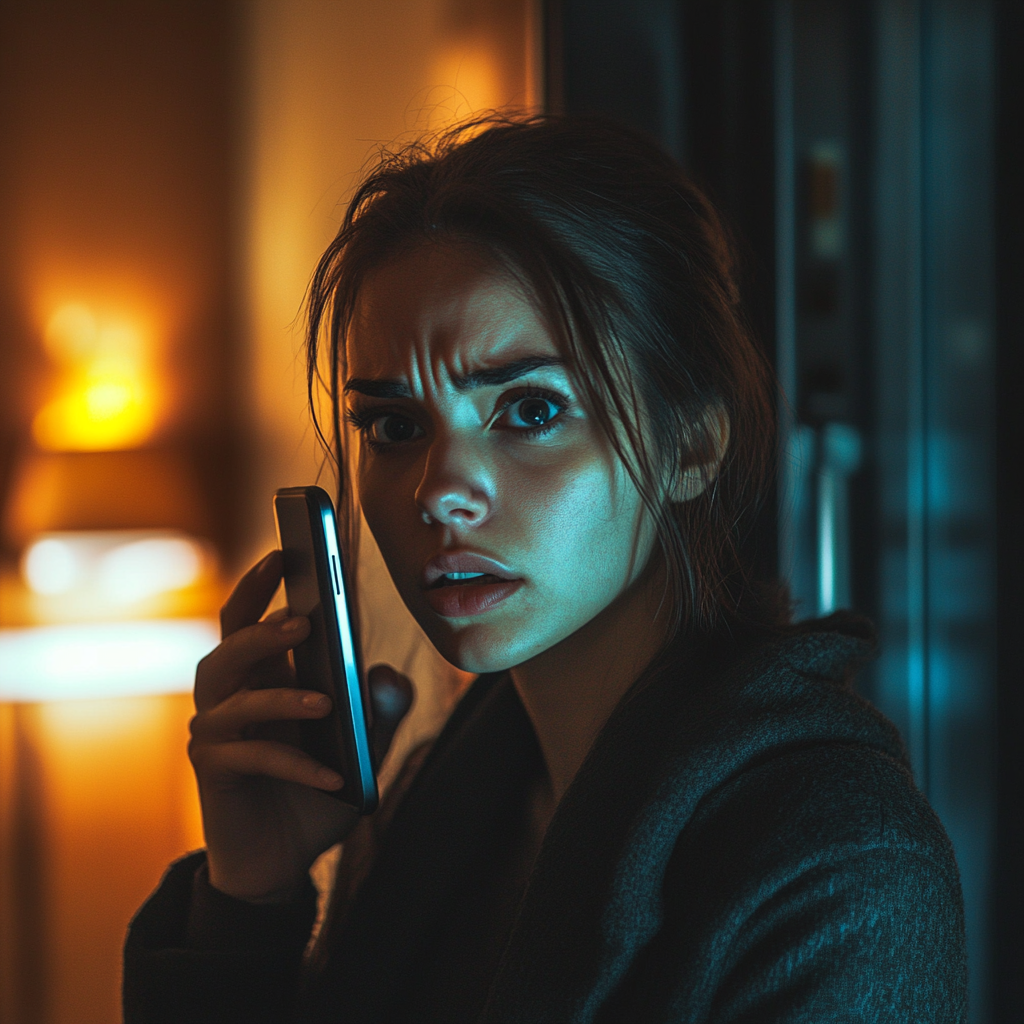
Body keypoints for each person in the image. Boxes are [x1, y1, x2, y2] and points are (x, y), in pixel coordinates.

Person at [123, 116, 966, 1023]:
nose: (441, 492)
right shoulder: (449, 801)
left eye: (529, 410)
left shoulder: (837, 859)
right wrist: (249, 900)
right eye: (396, 427)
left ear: (691, 444)